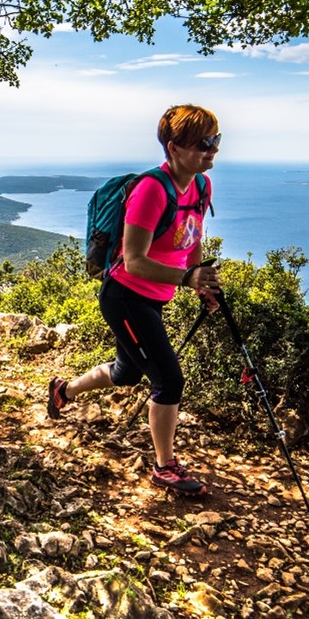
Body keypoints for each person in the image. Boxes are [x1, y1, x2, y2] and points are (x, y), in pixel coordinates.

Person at [46, 104, 223, 495]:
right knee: (169, 380)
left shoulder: (200, 186)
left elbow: (193, 235)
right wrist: (187, 276)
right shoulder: (150, 190)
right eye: (203, 143)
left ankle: (63, 390)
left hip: (155, 296)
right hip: (126, 296)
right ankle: (165, 467)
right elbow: (135, 260)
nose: (212, 150)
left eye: (216, 140)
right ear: (175, 148)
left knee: (127, 373)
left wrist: (200, 283)